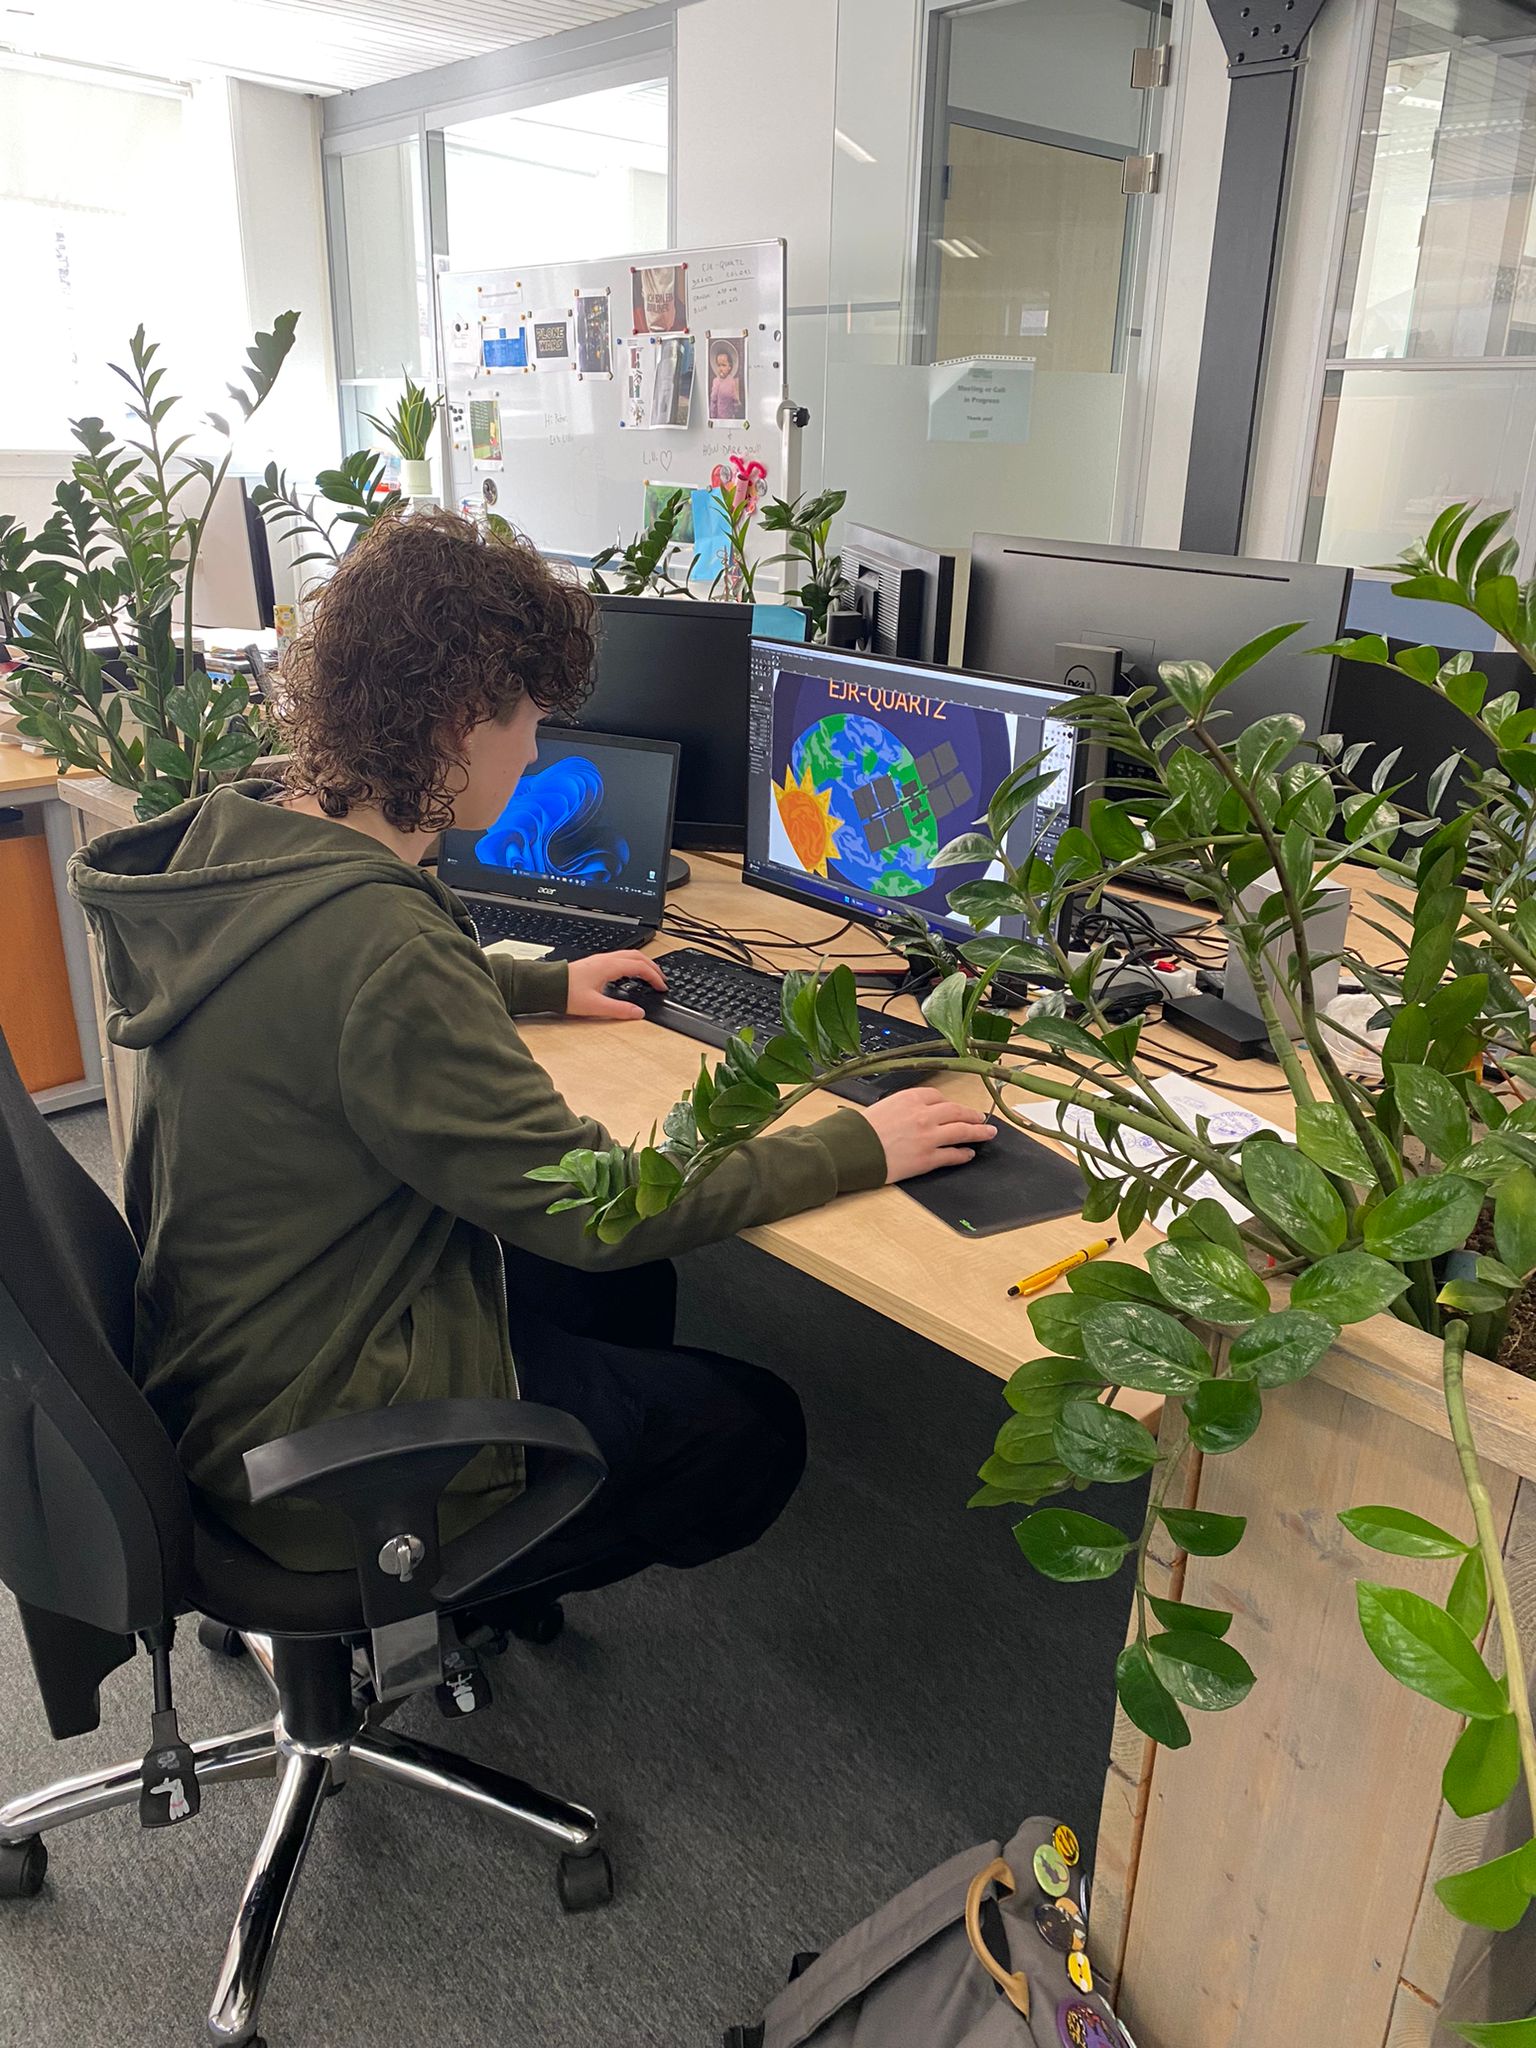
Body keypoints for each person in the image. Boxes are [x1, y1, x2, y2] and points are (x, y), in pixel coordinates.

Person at [70, 510, 994, 1597]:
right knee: (751, 1427)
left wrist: (542, 982)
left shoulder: (251, 840)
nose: (538, 753)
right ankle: (445, 1581)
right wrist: (854, 1146)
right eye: (534, 723)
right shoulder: (382, 951)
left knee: (625, 1295)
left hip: (229, 1357)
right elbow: (602, 1209)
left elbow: (335, 993)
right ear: (462, 723)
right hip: (320, 1441)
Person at [710, 344, 743, 420]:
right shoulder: (716, 381)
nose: (721, 368)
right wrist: (713, 417)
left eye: (724, 365)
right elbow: (713, 401)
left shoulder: (732, 381)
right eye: (719, 365)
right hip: (718, 417)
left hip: (730, 417)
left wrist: (735, 411)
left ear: (729, 367)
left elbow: (735, 400)